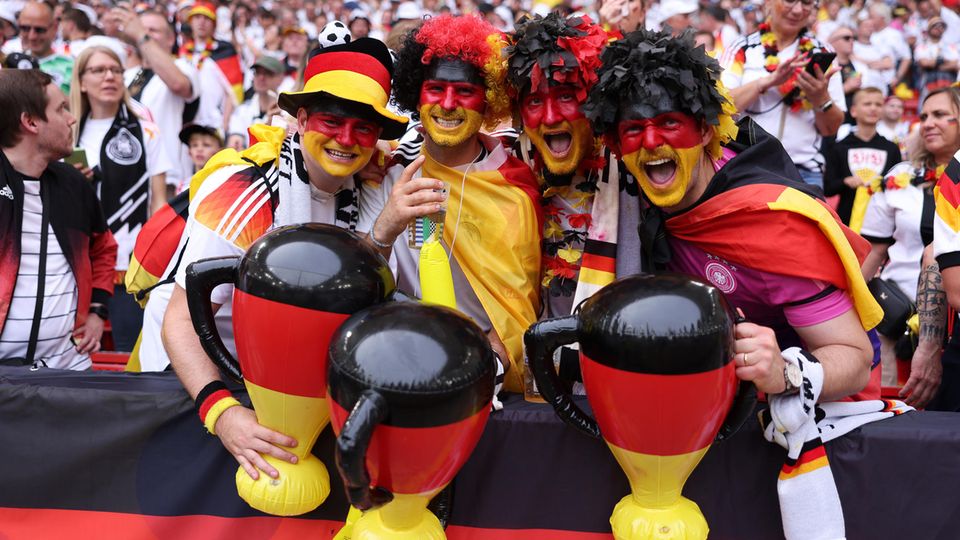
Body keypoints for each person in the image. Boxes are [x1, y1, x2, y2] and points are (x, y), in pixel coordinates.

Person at [584, 29, 881, 402]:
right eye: (633, 129)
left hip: (813, 407)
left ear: (707, 131)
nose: (651, 142)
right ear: (615, 147)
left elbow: (854, 359)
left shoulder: (774, 222)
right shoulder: (625, 194)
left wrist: (786, 371)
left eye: (670, 124)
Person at [163, 37, 407, 480]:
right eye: (331, 122)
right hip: (216, 383)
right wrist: (223, 412)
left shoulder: (372, 188)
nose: (345, 139)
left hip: (304, 393)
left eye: (363, 129)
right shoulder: (246, 192)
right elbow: (179, 322)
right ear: (301, 119)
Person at [359, 15, 541, 393]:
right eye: (435, 88)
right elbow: (356, 280)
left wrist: (485, 362)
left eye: (463, 92)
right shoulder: (386, 170)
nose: (447, 104)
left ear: (488, 98)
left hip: (484, 379)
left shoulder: (514, 184)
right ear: (416, 94)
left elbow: (518, 307)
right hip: (396, 373)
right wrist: (386, 226)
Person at [0, 69, 117, 368]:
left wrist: (96, 311)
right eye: (62, 108)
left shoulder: (73, 182)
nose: (72, 118)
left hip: (69, 370)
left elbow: (103, 248)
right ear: (30, 122)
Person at [69, 45, 173, 353]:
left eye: (115, 70)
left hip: (131, 262)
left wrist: (155, 263)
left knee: (129, 352)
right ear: (82, 81)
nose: (110, 77)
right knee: (75, 351)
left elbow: (158, 202)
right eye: (99, 70)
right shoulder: (67, 132)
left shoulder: (147, 131)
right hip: (79, 260)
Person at [860, 87, 960, 402]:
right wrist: (849, 306)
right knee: (895, 404)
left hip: (952, 321)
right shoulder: (899, 176)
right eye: (924, 116)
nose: (929, 123)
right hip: (897, 316)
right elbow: (873, 250)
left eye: (941, 115)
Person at [720, 0, 846, 189]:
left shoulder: (822, 52)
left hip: (803, 171)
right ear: (769, 2)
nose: (797, 10)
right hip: (747, 166)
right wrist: (766, 82)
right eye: (789, 1)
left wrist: (821, 98)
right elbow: (722, 107)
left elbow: (831, 129)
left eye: (806, 3)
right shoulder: (741, 48)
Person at [117, 7, 200, 194]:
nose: (145, 34)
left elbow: (178, 84)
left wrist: (140, 35)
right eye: (141, 28)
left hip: (168, 179)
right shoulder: (128, 74)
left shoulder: (184, 66)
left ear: (171, 39)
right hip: (131, 177)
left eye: (152, 30)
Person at [823, 87, 902, 230]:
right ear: (853, 111)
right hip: (847, 221)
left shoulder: (892, 148)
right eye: (867, 104)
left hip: (883, 224)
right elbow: (828, 188)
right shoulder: (839, 148)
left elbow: (898, 187)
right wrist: (845, 181)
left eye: (878, 104)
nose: (873, 108)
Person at [226, 56, 285, 150]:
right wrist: (236, 142)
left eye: (268, 73)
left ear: (281, 78)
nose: (261, 78)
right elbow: (234, 141)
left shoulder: (288, 111)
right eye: (257, 73)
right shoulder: (243, 110)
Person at [17, 1, 73, 95]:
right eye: (25, 28)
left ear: (54, 28)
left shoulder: (70, 66)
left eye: (39, 30)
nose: (32, 36)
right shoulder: (10, 63)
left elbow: (78, 106)